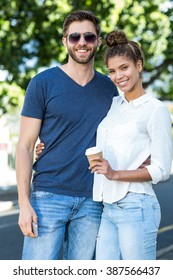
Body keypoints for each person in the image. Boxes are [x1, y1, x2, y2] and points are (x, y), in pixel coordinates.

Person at [15, 10, 118, 260]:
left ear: (98, 41)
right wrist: (24, 203)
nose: (82, 42)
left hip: (92, 200)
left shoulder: (110, 88)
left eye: (89, 37)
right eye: (74, 37)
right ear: (65, 41)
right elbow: (26, 146)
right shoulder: (43, 83)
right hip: (48, 196)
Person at [89, 30, 173, 260]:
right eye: (112, 71)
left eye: (124, 67)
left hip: (136, 206)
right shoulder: (115, 104)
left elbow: (162, 170)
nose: (118, 76)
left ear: (139, 65)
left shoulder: (155, 110)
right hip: (109, 207)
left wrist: (115, 173)